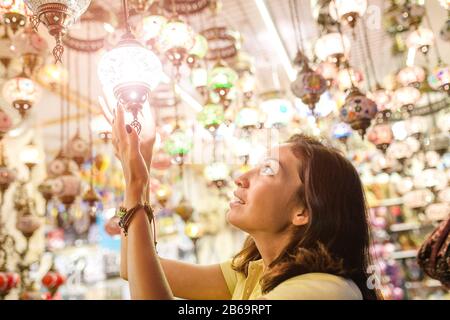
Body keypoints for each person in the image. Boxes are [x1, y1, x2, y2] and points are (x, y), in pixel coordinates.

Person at [108, 104, 380, 300]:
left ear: (303, 211)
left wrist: (136, 184)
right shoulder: (255, 273)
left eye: (269, 170)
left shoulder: (321, 291)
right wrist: (135, 173)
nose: (241, 178)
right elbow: (132, 267)